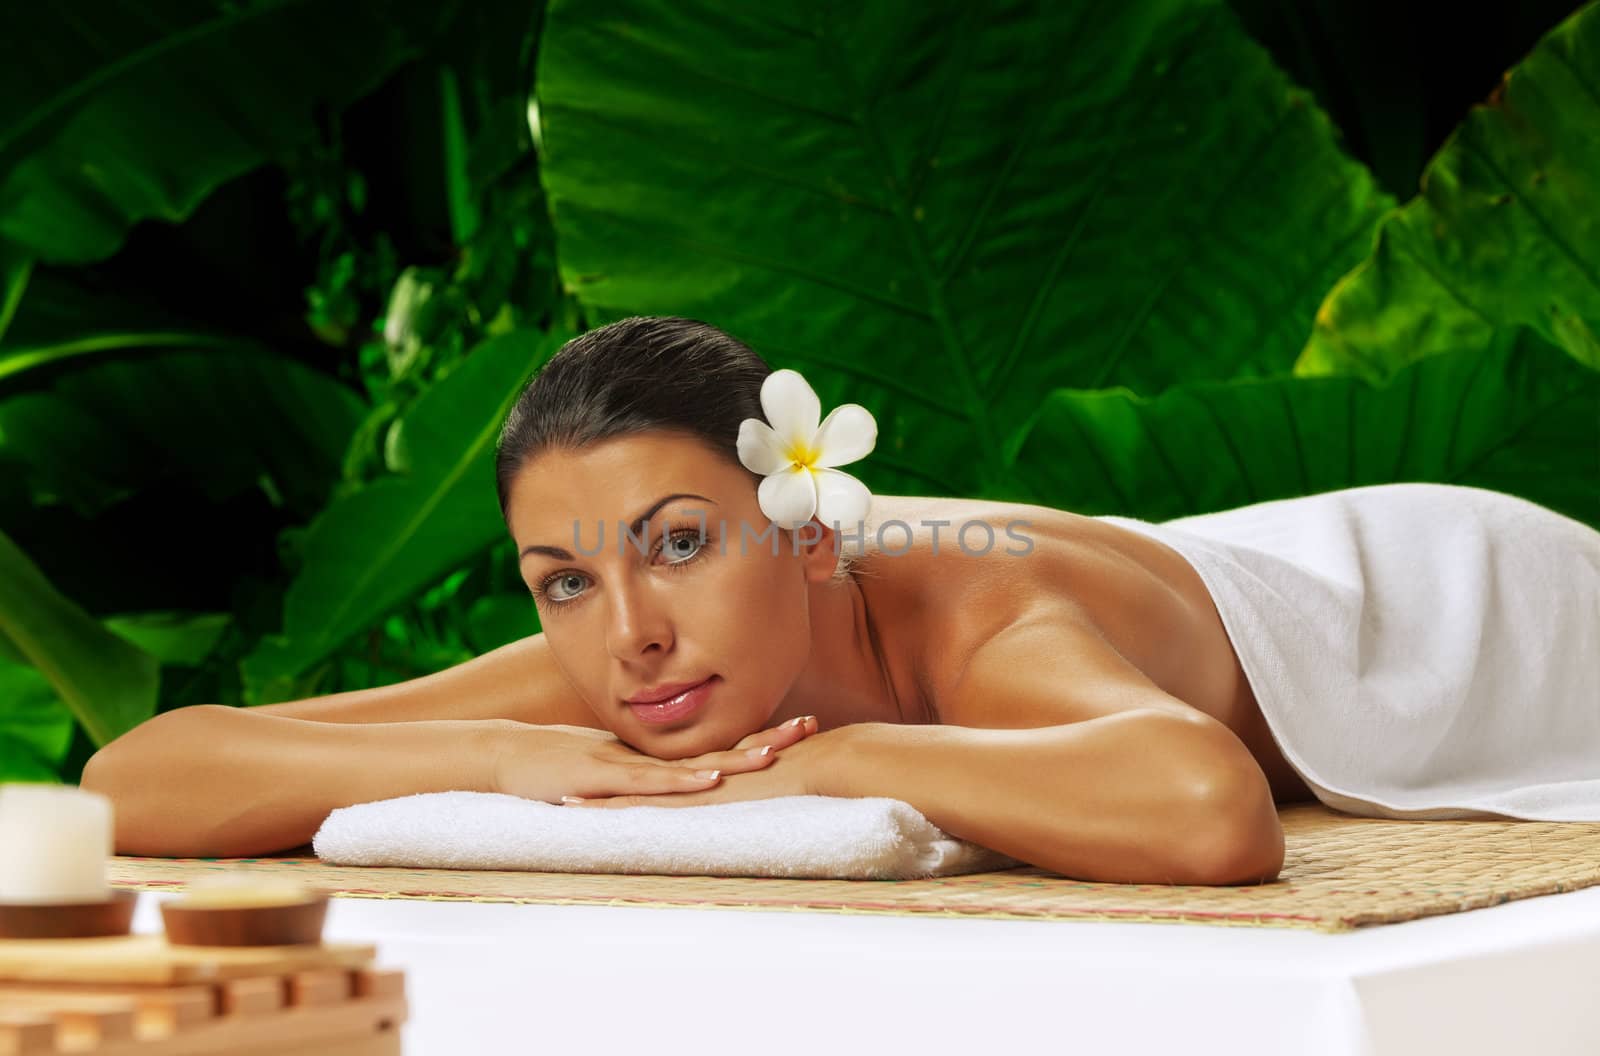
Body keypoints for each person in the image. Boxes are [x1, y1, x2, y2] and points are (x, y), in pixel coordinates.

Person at [84, 317, 1599, 883]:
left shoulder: (980, 618)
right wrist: (494, 754)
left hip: (1457, 602)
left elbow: (1209, 810)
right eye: (563, 578)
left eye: (681, 542)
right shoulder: (639, 645)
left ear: (809, 536)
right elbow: (141, 777)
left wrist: (827, 759)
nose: (628, 631)